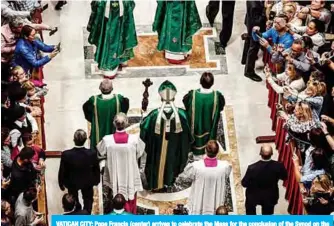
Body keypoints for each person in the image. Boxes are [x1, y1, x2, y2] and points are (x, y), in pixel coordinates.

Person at [140, 80, 193, 190]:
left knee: (157, 162)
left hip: (157, 150)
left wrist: (143, 118)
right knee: (171, 161)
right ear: (174, 97)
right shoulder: (182, 115)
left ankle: (156, 183)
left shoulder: (154, 115)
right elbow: (187, 136)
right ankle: (169, 180)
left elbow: (144, 133)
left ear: (161, 97)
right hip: (174, 150)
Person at [97, 113, 144, 214]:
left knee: (115, 196)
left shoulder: (107, 140)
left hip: (115, 175)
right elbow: (140, 153)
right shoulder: (134, 139)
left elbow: (100, 152)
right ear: (126, 123)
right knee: (131, 198)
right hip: (130, 174)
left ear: (114, 123)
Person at [87, 0, 137, 78]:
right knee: (118, 39)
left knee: (113, 40)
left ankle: (113, 64)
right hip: (111, 21)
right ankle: (114, 64)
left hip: (114, 20)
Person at [183, 72, 225, 157]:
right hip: (209, 128)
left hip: (196, 128)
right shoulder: (217, 96)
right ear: (212, 83)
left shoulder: (192, 95)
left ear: (200, 82)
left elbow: (185, 104)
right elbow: (221, 106)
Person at [58, 129, 100, 214]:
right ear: (85, 140)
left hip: (72, 182)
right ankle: (86, 216)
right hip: (87, 182)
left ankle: (77, 215)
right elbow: (96, 169)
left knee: (74, 201)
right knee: (88, 202)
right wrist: (96, 181)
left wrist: (61, 183)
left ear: (74, 140)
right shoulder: (92, 153)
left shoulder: (66, 154)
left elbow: (62, 171)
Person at [186, 140, 232, 215]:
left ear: (205, 150)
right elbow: (226, 175)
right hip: (216, 204)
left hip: (199, 204)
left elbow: (187, 176)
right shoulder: (224, 167)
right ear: (217, 152)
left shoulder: (196, 166)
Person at [83, 79, 129, 149]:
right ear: (112, 88)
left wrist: (93, 120)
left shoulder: (94, 101)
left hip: (98, 137)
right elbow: (124, 110)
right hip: (114, 134)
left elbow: (86, 109)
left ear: (100, 88)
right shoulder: (119, 99)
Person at [242, 144, 287, 215]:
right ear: (272, 154)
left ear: (260, 153)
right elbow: (284, 177)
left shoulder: (252, 168)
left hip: (254, 195)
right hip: (270, 195)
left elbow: (244, 183)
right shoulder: (278, 166)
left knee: (250, 210)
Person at [242, 0, 266, 82]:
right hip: (255, 28)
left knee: (249, 43)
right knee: (253, 48)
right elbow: (258, 21)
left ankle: (244, 59)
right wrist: (265, 9)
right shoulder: (255, 4)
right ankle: (249, 71)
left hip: (250, 22)